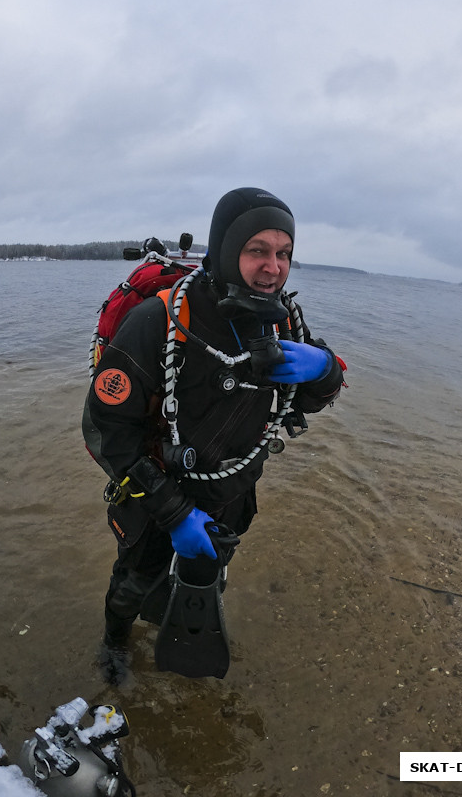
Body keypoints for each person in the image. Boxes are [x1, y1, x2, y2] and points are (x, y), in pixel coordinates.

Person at [83, 187, 346, 684]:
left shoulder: (282, 322)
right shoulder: (157, 321)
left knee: (208, 578)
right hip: (158, 495)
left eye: (284, 253)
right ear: (226, 250)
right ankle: (114, 646)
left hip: (231, 493)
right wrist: (175, 512)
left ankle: (187, 622)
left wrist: (323, 368)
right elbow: (106, 429)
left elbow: (306, 401)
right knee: (132, 585)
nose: (274, 266)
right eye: (257, 251)